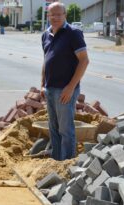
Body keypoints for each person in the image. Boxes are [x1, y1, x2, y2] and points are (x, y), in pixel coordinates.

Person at [41, 2, 89, 161]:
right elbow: (46, 61)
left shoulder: (73, 33)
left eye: (58, 14)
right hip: (50, 89)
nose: (55, 17)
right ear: (48, 16)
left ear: (65, 15)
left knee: (65, 130)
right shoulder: (45, 35)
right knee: (53, 129)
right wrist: (43, 84)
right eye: (51, 14)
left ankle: (68, 165)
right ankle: (56, 162)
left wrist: (70, 87)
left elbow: (84, 61)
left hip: (65, 90)